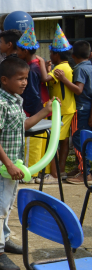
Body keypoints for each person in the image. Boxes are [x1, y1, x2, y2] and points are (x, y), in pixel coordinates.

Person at [0, 56, 53, 270]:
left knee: (8, 205)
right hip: (3, 166)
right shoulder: (0, 104)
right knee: (0, 207)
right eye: (20, 79)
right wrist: (9, 164)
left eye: (26, 78)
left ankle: (3, 240)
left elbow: (22, 126)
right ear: (4, 80)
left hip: (14, 165)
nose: (24, 82)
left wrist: (45, 111)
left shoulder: (17, 100)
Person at [14, 27, 51, 183]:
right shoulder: (37, 63)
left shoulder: (32, 68)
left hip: (34, 108)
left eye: (18, 50)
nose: (16, 52)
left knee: (32, 141)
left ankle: (31, 172)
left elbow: (33, 92)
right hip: (41, 107)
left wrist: (29, 111)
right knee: (42, 140)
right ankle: (42, 172)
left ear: (25, 51)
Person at [41, 25, 75, 181]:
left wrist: (41, 63)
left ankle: (54, 172)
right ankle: (60, 169)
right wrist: (49, 67)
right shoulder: (65, 66)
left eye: (51, 54)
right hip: (67, 108)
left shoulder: (59, 68)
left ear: (56, 55)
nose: (50, 56)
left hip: (62, 109)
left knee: (54, 139)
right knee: (64, 140)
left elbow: (45, 79)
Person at [55, 40, 92, 184]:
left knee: (78, 139)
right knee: (86, 139)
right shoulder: (89, 66)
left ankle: (85, 173)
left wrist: (64, 79)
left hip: (81, 109)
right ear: (89, 54)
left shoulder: (80, 69)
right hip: (88, 109)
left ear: (73, 56)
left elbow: (78, 89)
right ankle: (81, 168)